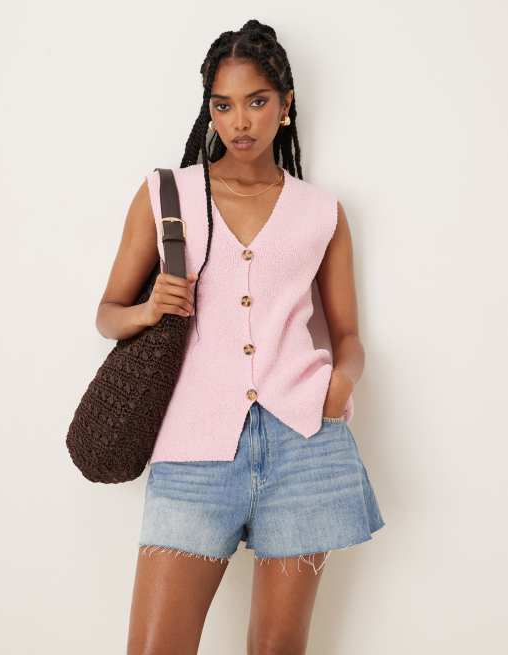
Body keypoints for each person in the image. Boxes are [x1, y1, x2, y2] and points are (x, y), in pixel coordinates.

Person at [96, 18, 385, 655]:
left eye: (256, 101)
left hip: (305, 445)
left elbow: (348, 335)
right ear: (209, 110)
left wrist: (341, 383)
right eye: (222, 105)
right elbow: (108, 313)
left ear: (286, 104)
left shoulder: (322, 211)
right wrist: (147, 310)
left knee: (278, 648)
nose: (239, 122)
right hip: (193, 452)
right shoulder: (167, 195)